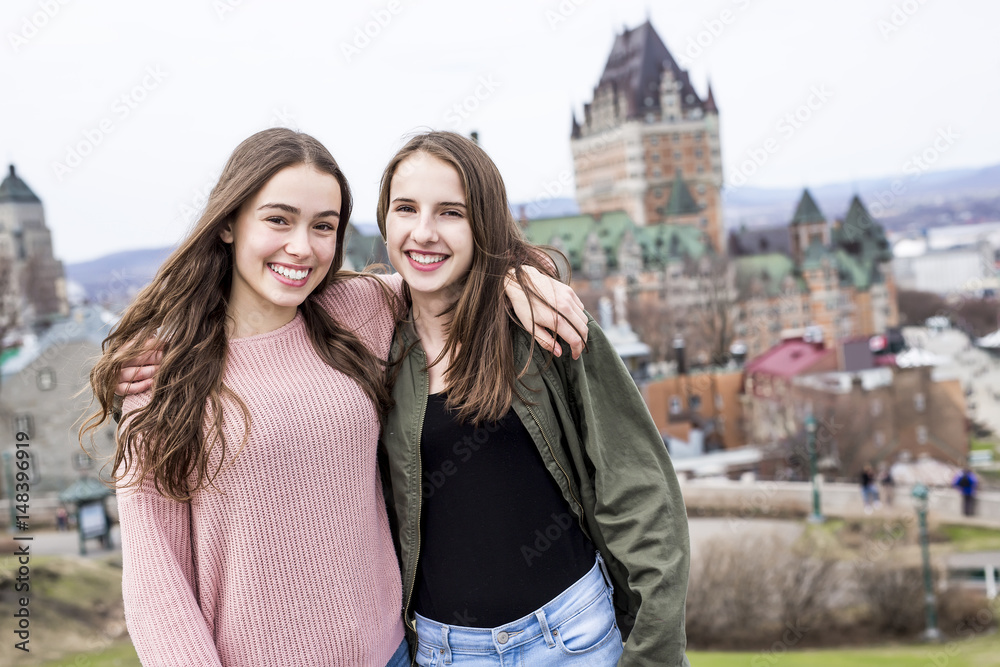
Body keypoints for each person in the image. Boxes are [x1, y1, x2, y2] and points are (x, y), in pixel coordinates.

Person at [84, 128, 587, 667]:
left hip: (392, 653)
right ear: (229, 223)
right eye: (278, 219)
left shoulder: (355, 313)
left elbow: (452, 273)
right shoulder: (162, 376)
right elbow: (156, 585)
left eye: (323, 226)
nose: (302, 247)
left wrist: (525, 276)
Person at [375, 132, 691, 666]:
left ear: (484, 224)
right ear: (384, 218)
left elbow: (639, 490)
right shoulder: (367, 336)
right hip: (447, 652)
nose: (423, 232)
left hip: (572, 637)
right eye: (406, 208)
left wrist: (655, 649)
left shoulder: (545, 324)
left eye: (451, 212)